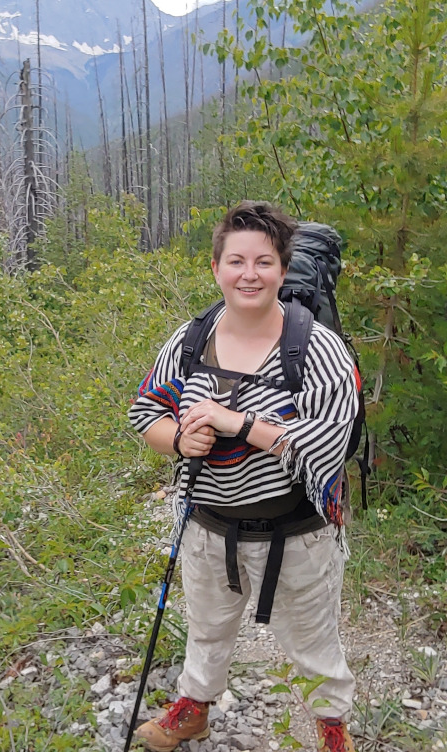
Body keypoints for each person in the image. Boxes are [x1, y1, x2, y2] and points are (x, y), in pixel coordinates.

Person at [127, 202, 358, 752]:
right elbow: (146, 415)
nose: (249, 274)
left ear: (282, 269)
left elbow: (327, 443)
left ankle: (332, 729)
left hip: (297, 532)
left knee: (312, 641)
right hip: (207, 526)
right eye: (236, 261)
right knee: (206, 628)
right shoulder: (190, 340)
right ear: (216, 267)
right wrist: (179, 438)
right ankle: (194, 708)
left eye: (264, 261)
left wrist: (241, 423)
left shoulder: (317, 349)